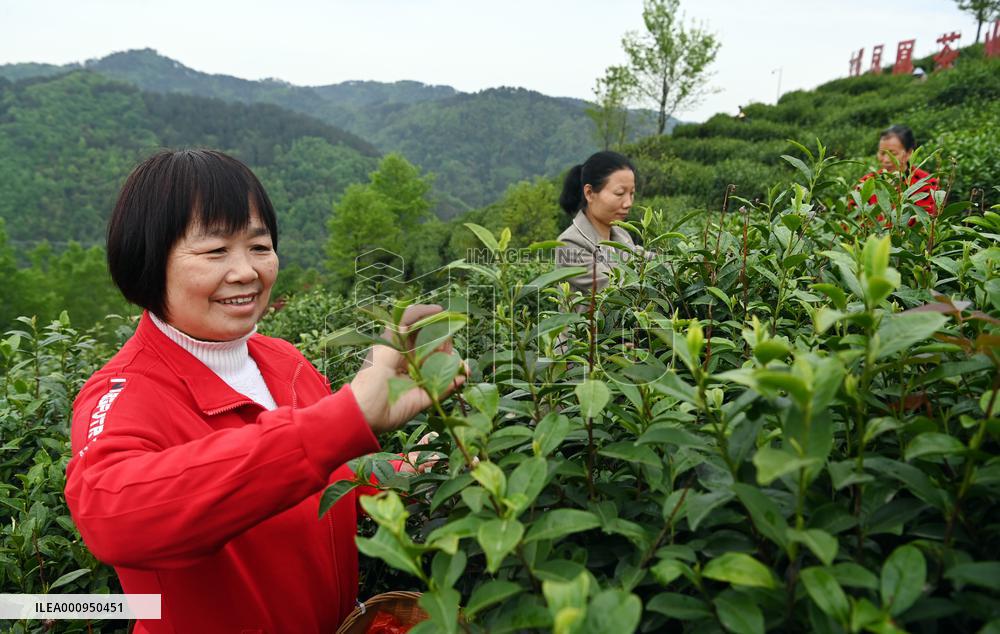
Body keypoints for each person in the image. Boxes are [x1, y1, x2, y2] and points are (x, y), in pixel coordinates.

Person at [64, 149, 464, 633]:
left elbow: (321, 472)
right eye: (215, 251)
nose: (246, 271)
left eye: (259, 246)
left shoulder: (284, 361)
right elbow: (113, 518)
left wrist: (403, 475)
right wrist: (346, 415)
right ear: (148, 259)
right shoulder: (125, 393)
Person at [555, 151, 642, 295]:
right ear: (589, 193)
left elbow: (651, 260)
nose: (628, 203)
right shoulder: (570, 243)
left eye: (631, 193)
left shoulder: (621, 234)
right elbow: (617, 291)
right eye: (620, 193)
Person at [855, 124, 939, 227]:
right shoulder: (866, 183)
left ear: (909, 153)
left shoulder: (926, 183)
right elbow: (854, 221)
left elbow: (925, 225)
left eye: (893, 154)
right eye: (882, 153)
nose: (886, 160)